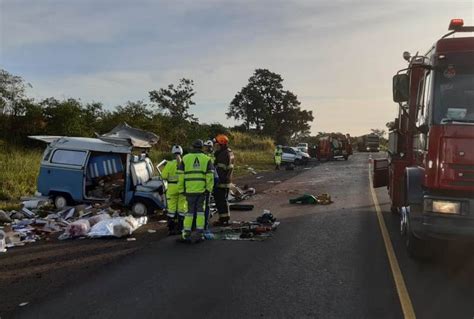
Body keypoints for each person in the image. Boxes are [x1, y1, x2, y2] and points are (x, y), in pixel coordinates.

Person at [177, 139, 214, 242]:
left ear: (192, 147)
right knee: (200, 212)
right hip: (202, 191)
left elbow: (180, 176)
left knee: (189, 212)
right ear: (202, 147)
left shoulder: (185, 158)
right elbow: (210, 176)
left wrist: (181, 189)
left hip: (189, 190)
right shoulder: (206, 159)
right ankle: (200, 233)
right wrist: (208, 189)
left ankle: (186, 233)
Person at [161, 145, 186, 235]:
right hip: (182, 188)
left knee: (171, 210)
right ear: (181, 153)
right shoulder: (184, 163)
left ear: (172, 153)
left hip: (171, 188)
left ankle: (171, 229)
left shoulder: (169, 164)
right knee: (181, 209)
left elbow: (163, 176)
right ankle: (181, 228)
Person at [213, 134, 234, 226]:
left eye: (217, 144)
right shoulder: (229, 152)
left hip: (221, 181)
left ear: (221, 144)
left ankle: (223, 219)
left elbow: (220, 169)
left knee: (220, 201)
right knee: (224, 200)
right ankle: (225, 218)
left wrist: (216, 181)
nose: (215, 146)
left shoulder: (222, 154)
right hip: (227, 180)